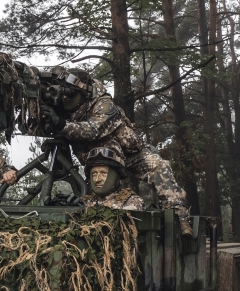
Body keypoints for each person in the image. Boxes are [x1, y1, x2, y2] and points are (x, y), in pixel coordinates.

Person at [42, 69, 193, 236]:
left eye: (69, 94)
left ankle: (180, 218)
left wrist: (61, 125)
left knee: (159, 167)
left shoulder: (103, 103)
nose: (64, 98)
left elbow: (93, 130)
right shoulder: (63, 106)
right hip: (96, 156)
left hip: (129, 153)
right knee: (96, 195)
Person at [81, 147, 144, 211]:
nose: (97, 179)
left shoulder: (131, 202)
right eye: (94, 173)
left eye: (104, 173)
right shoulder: (85, 202)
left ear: (115, 176)